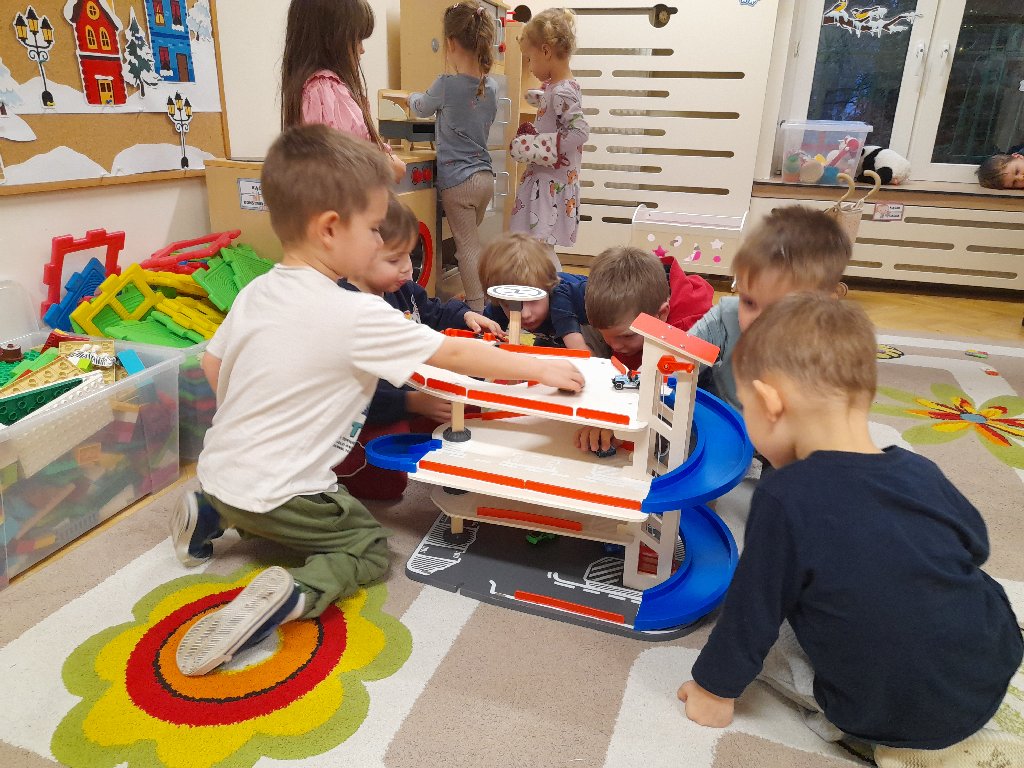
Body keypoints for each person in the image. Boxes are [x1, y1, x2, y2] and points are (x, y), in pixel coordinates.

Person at [169, 125, 584, 677]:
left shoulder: (258, 289)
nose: (378, 240)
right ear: (329, 229)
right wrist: (542, 366)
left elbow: (211, 364)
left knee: (260, 496)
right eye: (371, 228)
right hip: (282, 491)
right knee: (367, 546)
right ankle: (292, 594)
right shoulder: (355, 312)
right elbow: (452, 356)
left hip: (219, 470)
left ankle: (210, 511)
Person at [677, 293, 1024, 763]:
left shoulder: (783, 497)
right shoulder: (920, 470)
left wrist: (714, 689)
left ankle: (870, 733)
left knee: (779, 643)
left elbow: (751, 611)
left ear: (769, 403)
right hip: (991, 671)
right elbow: (975, 546)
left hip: (884, 713)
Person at [336, 194, 505, 500]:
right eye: (394, 260)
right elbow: (352, 392)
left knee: (468, 408)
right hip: (364, 412)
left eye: (409, 256)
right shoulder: (347, 310)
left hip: (411, 389)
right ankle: (342, 470)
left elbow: (432, 311)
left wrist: (465, 315)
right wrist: (412, 403)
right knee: (389, 483)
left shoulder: (400, 288)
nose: (407, 269)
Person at [689, 205, 850, 413]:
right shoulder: (725, 319)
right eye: (749, 302)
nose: (759, 323)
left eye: (778, 310)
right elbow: (674, 360)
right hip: (723, 420)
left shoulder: (831, 352)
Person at [397, 1, 498, 311]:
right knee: (471, 243)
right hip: (484, 180)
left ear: (451, 43)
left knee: (466, 248)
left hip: (459, 183)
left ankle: (479, 310)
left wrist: (408, 98)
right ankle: (478, 296)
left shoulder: (446, 84)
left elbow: (421, 107)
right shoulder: (491, 87)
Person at [280, 0, 405, 183]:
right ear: (331, 38)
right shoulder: (323, 91)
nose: (362, 49)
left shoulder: (316, 90)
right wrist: (385, 166)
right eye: (357, 39)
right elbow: (339, 165)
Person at [509, 8, 589, 270]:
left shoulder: (562, 91)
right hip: (547, 181)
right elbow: (558, 115)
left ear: (545, 51)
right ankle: (546, 288)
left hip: (550, 184)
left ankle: (555, 288)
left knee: (540, 249)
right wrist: (542, 99)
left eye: (530, 59)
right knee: (537, 246)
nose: (530, 67)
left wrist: (539, 146)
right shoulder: (559, 87)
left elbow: (579, 131)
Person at [583, 245, 714, 372]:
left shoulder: (692, 335)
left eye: (627, 336)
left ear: (661, 315)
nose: (615, 346)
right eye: (604, 334)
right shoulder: (630, 316)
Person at [478, 232, 589, 349]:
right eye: (510, 304)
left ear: (548, 288)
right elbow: (483, 342)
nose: (525, 314)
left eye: (533, 300)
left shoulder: (562, 298)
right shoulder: (503, 298)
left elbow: (581, 353)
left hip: (593, 328)